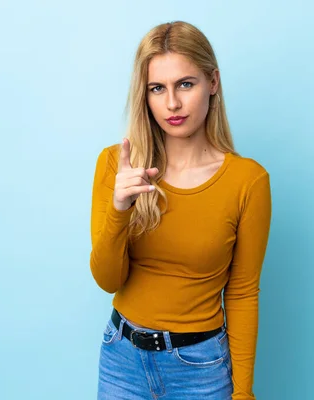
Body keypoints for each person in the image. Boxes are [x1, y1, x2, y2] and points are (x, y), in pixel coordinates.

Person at [90, 20, 272, 400]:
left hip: (200, 369)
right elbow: (108, 279)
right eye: (157, 88)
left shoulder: (247, 181)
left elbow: (241, 294)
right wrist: (120, 208)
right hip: (121, 360)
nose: (172, 103)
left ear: (213, 83)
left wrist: (244, 394)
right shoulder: (117, 165)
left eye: (185, 84)